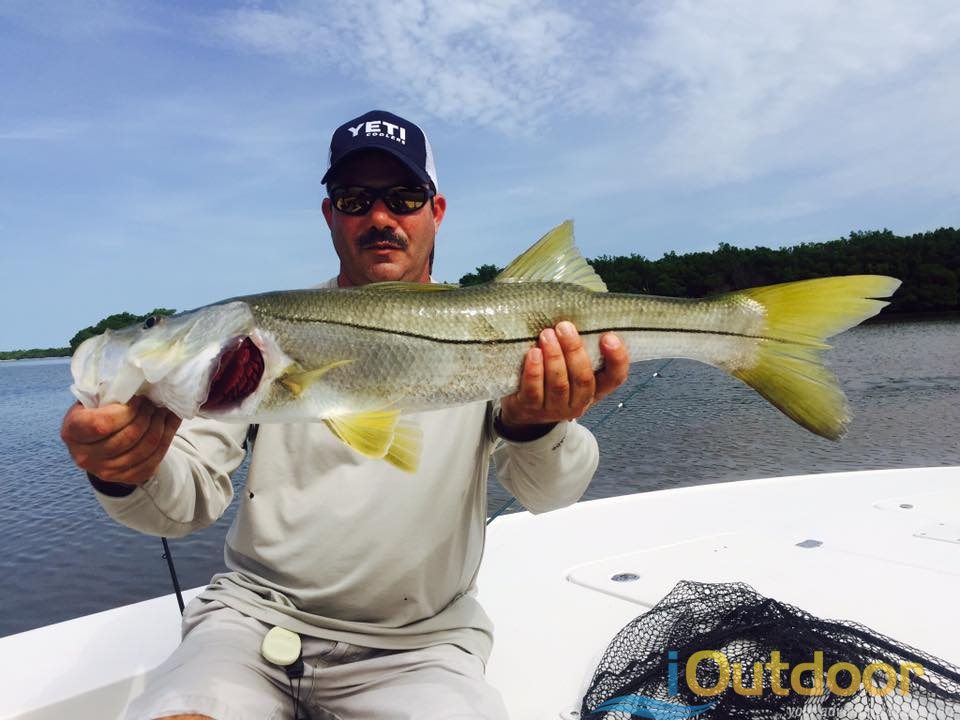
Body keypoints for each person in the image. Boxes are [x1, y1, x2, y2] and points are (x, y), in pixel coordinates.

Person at [61, 110, 630, 720]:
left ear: (435, 212)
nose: (380, 218)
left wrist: (536, 426)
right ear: (330, 214)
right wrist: (125, 470)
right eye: (355, 199)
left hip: (423, 644)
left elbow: (551, 492)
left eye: (404, 197)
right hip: (250, 624)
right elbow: (180, 504)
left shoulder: (499, 328)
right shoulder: (249, 351)